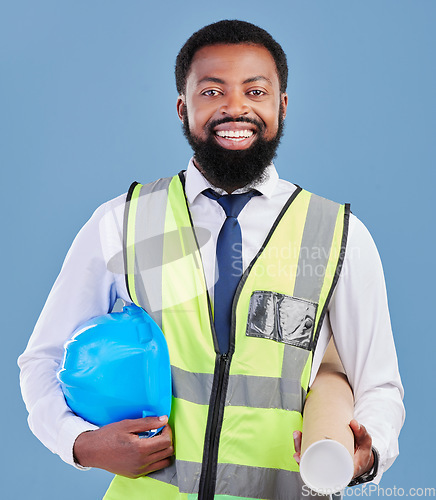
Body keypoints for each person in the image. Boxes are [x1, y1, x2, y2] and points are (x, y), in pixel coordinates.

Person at [18, 20, 404, 500]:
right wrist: (80, 444)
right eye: (212, 91)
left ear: (281, 106)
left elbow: (379, 386)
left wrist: (367, 454)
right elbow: (43, 360)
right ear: (184, 108)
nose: (235, 107)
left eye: (255, 91)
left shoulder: (338, 235)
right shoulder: (123, 220)